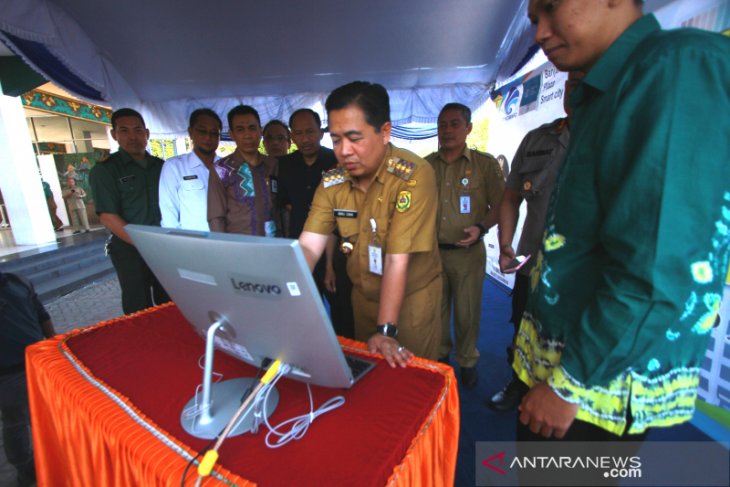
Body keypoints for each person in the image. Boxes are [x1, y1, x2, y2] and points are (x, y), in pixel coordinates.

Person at [516, 0, 730, 441]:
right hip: (566, 368)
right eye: (535, 19)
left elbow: (659, 266)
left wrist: (569, 383)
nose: (539, 33)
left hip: (590, 388)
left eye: (552, 8)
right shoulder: (611, 87)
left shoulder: (673, 67)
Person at [299, 81, 442, 366]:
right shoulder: (333, 182)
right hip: (362, 299)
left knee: (411, 381)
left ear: (385, 132)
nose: (344, 151)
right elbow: (308, 248)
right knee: (372, 380)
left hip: (411, 303)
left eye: (354, 138)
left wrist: (386, 330)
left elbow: (396, 261)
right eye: (336, 139)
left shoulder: (413, 176)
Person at [487, 71, 581, 412]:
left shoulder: (617, 139)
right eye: (571, 81)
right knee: (522, 327)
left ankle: (568, 395)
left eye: (586, 81)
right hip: (532, 261)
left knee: (573, 339)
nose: (575, 89)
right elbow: (511, 197)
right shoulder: (539, 139)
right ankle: (518, 383)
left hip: (583, 273)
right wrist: (507, 243)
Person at [425, 103, 504, 388]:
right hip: (432, 253)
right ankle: (441, 357)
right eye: (442, 124)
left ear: (468, 128)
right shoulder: (426, 166)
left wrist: (482, 227)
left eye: (455, 124)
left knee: (467, 312)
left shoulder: (484, 165)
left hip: (468, 254)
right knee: (437, 310)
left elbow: (501, 205)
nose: (447, 130)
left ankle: (468, 360)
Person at [278, 108, 354, 338]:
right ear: (292, 137)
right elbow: (285, 205)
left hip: (337, 249)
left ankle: (349, 356)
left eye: (310, 132)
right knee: (307, 311)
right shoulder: (286, 165)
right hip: (300, 250)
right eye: (298, 133)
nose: (305, 139)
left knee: (342, 309)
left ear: (321, 133)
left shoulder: (336, 161)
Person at [89, 108, 170, 314]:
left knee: (169, 302)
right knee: (139, 308)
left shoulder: (162, 167)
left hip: (163, 246)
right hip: (129, 248)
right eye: (124, 131)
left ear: (147, 134)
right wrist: (144, 243)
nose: (132, 137)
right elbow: (108, 215)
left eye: (138, 130)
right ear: (114, 135)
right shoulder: (106, 170)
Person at [0, 271, 56, 487]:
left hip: (38, 361)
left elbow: (41, 314)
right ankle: (26, 468)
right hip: (7, 374)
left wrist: (54, 344)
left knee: (44, 417)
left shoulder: (17, 281)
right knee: (16, 422)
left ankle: (49, 460)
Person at [207, 105, 280, 236]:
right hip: (239, 249)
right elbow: (216, 217)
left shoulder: (273, 165)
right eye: (240, 129)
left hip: (273, 245)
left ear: (260, 131)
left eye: (252, 128)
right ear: (232, 134)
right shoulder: (221, 169)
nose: (247, 135)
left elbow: (282, 208)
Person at [159, 108, 222, 231]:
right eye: (202, 131)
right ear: (191, 132)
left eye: (214, 133)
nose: (208, 137)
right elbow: (169, 217)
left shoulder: (227, 167)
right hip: (191, 245)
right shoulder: (174, 167)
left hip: (226, 243)